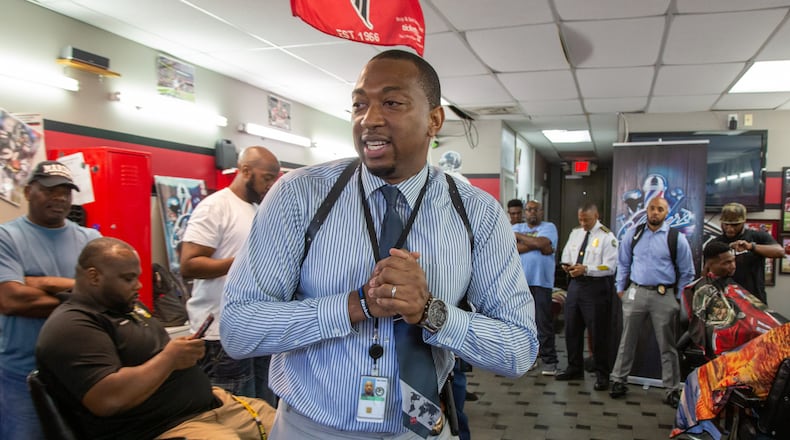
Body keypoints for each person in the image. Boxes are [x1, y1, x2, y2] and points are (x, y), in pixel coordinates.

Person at [221, 49, 538, 439]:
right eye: (358, 104)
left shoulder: (477, 214)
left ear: (433, 120)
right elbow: (237, 329)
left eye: (391, 102)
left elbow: (519, 349)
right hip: (312, 429)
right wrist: (355, 305)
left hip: (419, 428)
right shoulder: (298, 196)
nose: (368, 119)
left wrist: (429, 313)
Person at [35, 237, 275, 440]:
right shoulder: (73, 326)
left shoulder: (128, 307)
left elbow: (155, 355)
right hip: (167, 428)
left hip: (214, 405)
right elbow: (107, 398)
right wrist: (170, 358)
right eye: (128, 278)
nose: (138, 285)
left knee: (294, 427)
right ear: (94, 277)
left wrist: (181, 353)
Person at [0, 160, 101, 439]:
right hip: (22, 373)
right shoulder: (6, 237)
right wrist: (81, 297)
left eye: (66, 191)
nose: (59, 197)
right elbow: (12, 300)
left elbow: (107, 295)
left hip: (80, 372)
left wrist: (39, 282)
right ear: (29, 191)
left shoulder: (90, 239)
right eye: (49, 189)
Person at [180, 145, 280, 405]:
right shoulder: (215, 207)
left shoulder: (260, 210)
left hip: (258, 327)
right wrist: (242, 263)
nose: (270, 185)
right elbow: (189, 264)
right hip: (221, 333)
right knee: (233, 411)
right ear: (245, 171)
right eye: (267, 178)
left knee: (263, 412)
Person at [611, 196, 695, 408]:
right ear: (646, 210)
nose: (655, 212)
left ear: (666, 213)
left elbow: (688, 272)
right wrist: (620, 288)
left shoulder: (676, 238)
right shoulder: (634, 233)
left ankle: (672, 389)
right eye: (652, 208)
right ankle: (618, 380)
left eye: (660, 209)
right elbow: (623, 263)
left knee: (667, 346)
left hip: (663, 296)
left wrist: (677, 299)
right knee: (626, 340)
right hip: (636, 292)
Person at [684, 241, 786, 358]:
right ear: (709, 264)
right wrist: (753, 330)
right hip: (729, 344)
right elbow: (717, 328)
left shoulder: (728, 282)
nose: (733, 266)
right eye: (727, 263)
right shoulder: (704, 289)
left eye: (733, 260)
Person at [557, 203, 618, 391]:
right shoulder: (576, 233)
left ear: (596, 215)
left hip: (596, 287)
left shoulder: (607, 237)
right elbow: (566, 253)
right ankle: (574, 367)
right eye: (581, 219)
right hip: (575, 285)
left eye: (587, 220)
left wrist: (587, 269)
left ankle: (602, 374)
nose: (583, 223)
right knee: (572, 329)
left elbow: (609, 267)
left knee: (598, 332)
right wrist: (567, 265)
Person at [513, 200, 559, 375]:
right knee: (523, 323)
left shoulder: (549, 227)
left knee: (543, 323)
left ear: (541, 211)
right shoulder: (516, 226)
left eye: (535, 209)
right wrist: (537, 244)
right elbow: (513, 248)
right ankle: (529, 359)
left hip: (541, 282)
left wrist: (522, 238)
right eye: (529, 209)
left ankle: (550, 361)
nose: (532, 212)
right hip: (520, 283)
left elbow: (543, 243)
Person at [714, 202, 783, 305]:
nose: (729, 228)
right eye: (726, 224)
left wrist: (752, 247)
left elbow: (780, 252)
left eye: (734, 225)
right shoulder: (716, 242)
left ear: (743, 222)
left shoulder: (757, 237)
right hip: (725, 299)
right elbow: (707, 270)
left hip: (754, 298)